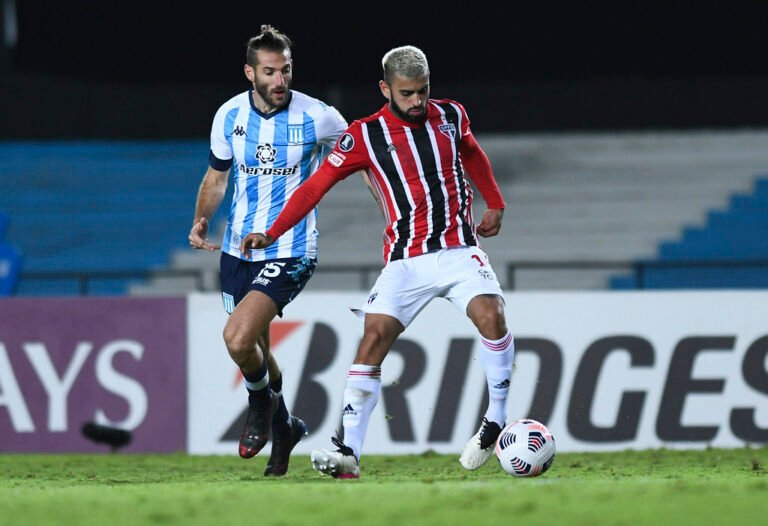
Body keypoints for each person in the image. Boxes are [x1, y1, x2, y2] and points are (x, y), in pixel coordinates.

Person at [242, 45, 514, 479]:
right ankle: (348, 450)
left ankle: (495, 421)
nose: (417, 101)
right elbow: (315, 187)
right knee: (373, 339)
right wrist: (273, 232)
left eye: (423, 91)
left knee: (493, 317)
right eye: (406, 93)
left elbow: (473, 152)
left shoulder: (451, 115)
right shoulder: (364, 136)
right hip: (405, 260)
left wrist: (495, 202)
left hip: (460, 250)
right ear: (385, 88)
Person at [188, 24, 351, 476]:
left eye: (286, 70)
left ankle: (259, 404)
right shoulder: (227, 117)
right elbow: (217, 178)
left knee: (238, 339)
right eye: (270, 71)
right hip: (239, 250)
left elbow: (361, 158)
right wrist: (202, 218)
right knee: (254, 349)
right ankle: (286, 427)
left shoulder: (319, 117)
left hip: (291, 249)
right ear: (249, 72)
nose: (280, 81)